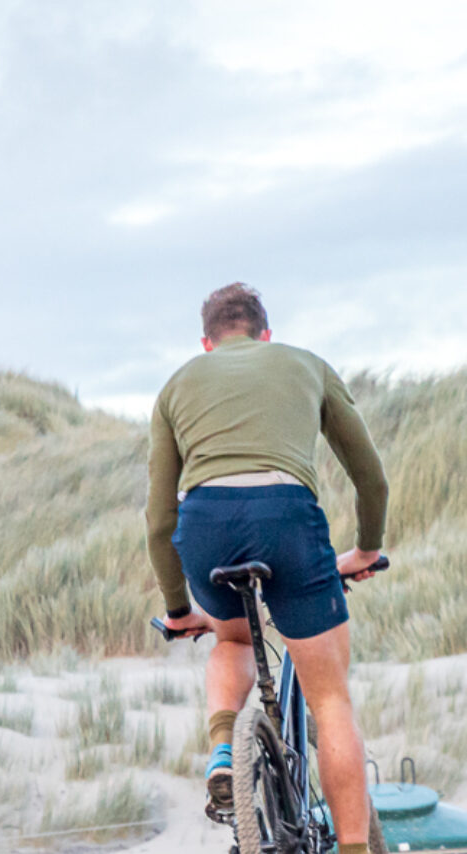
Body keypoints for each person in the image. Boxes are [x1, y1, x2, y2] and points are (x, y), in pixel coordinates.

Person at [149, 283, 390, 853]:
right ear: (266, 334)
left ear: (208, 342)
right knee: (329, 698)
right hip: (286, 516)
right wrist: (366, 549)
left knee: (230, 638)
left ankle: (224, 747)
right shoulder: (306, 364)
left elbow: (159, 518)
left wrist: (179, 609)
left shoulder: (176, 384)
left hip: (205, 524)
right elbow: (372, 478)